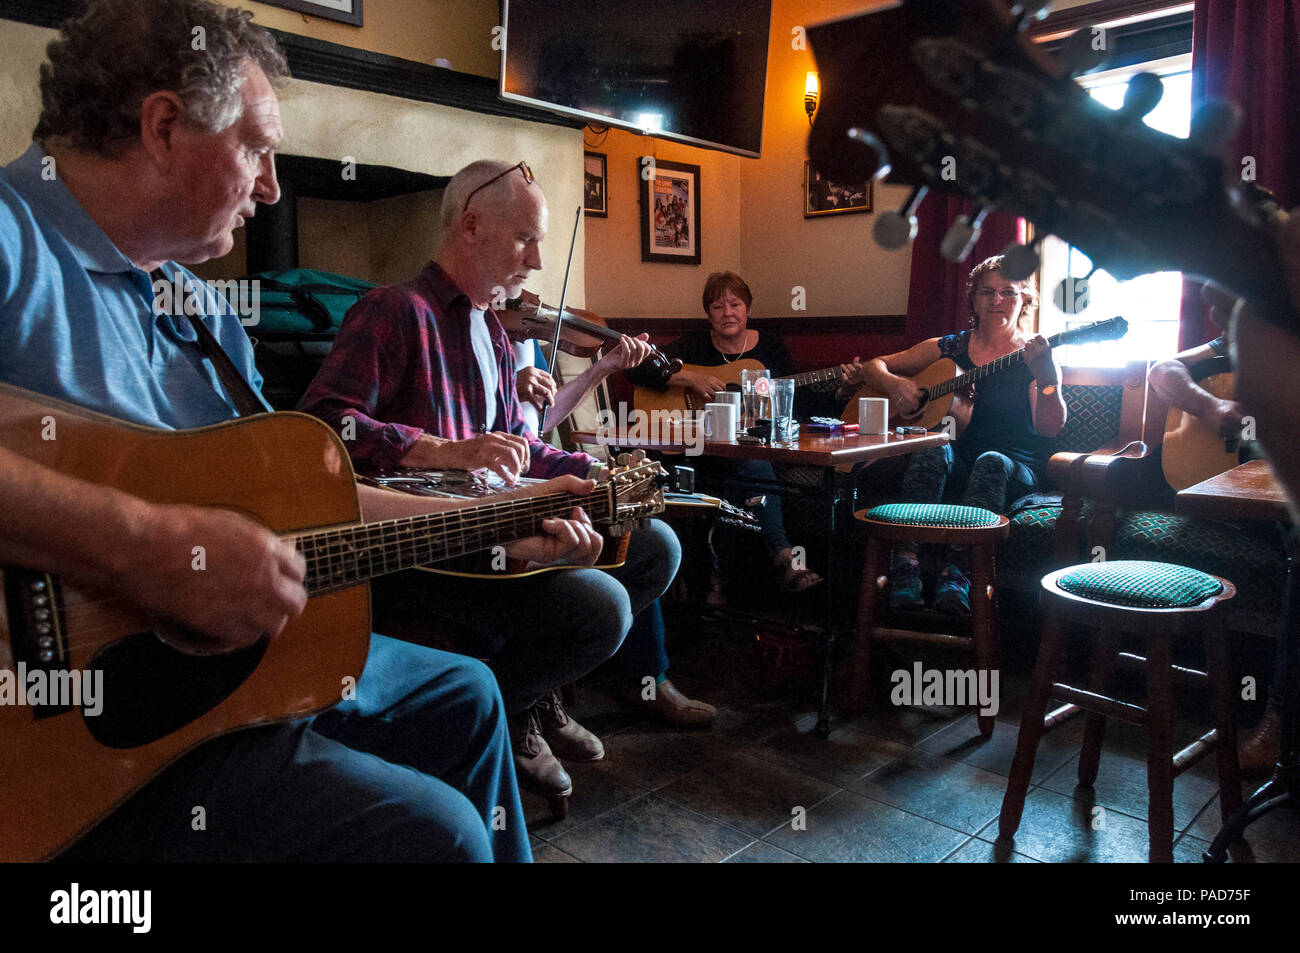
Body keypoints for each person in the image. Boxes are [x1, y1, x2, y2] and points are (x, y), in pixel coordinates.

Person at [0, 0, 607, 862]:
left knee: (469, 694)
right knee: (441, 838)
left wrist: (506, 521)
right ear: (164, 127)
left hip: (216, 676)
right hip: (55, 741)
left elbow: (314, 501)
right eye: (257, 146)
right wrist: (142, 546)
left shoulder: (205, 312)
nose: (273, 185)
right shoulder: (11, 239)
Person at [298, 160, 716, 796]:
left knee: (658, 544)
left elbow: (517, 447)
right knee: (600, 610)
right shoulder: (391, 310)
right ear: (470, 226)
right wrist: (442, 450)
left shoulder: (493, 330)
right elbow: (321, 426)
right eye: (526, 239)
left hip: (496, 532)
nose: (538, 261)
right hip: (420, 552)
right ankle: (492, 716)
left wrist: (592, 472)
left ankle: (521, 704)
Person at [848, 255, 1066, 614]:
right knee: (933, 447)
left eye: (1008, 292)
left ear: (1025, 299)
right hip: (954, 460)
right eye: (987, 292)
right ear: (974, 299)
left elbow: (1050, 428)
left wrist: (1047, 378)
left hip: (1014, 467)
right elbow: (875, 365)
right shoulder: (948, 347)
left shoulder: (1032, 357)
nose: (997, 301)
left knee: (991, 461)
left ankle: (959, 573)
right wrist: (897, 385)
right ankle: (907, 565)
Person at [625, 270, 824, 594]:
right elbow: (637, 366)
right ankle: (775, 558)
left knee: (754, 467)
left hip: (753, 449)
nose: (728, 313)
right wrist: (688, 378)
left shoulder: (770, 347)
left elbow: (793, 402)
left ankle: (730, 574)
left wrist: (839, 391)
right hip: (699, 451)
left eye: (735, 304)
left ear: (748, 308)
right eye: (718, 306)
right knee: (753, 470)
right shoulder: (693, 345)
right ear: (708, 313)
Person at [1150, 323, 1279, 778]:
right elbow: (1164, 368)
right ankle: (1278, 724)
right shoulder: (1257, 331)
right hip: (1233, 498)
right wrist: (1212, 405)